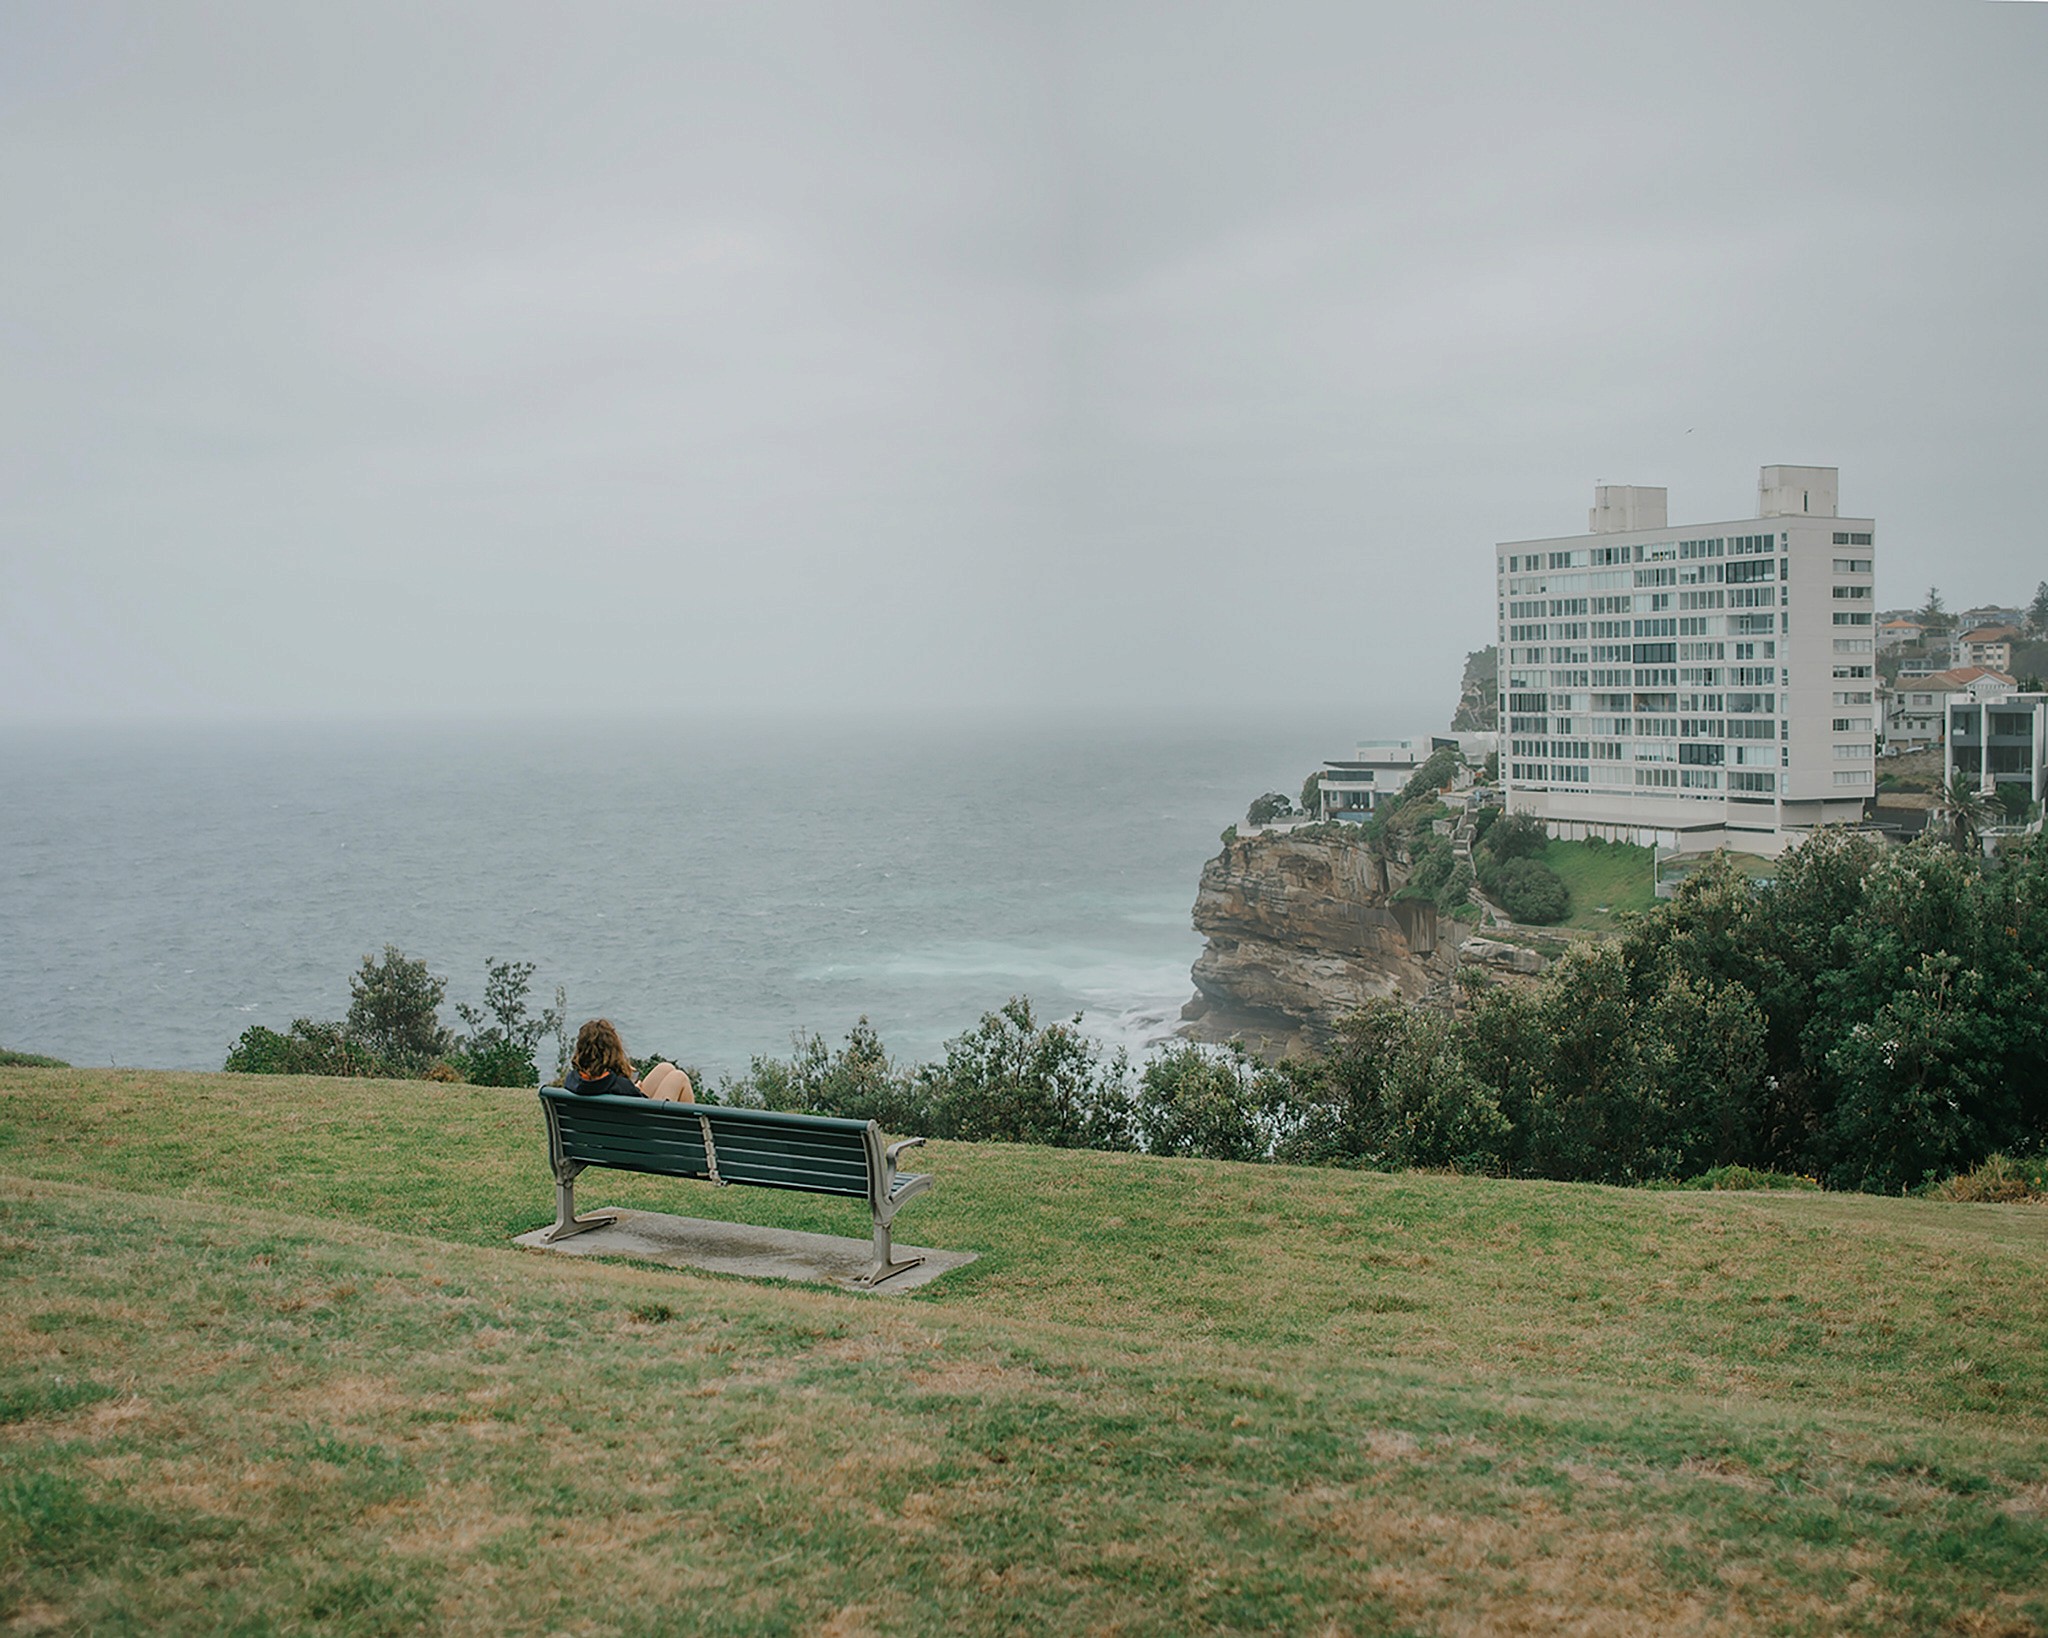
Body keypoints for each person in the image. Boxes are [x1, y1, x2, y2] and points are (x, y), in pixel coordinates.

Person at [562, 1017, 694, 1102]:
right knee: (679, 1077)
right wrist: (635, 1090)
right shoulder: (621, 1086)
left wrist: (633, 1089)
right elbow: (641, 1103)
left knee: (665, 1068)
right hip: (644, 1134)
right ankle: (696, 1134)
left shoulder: (572, 1080)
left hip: (605, 1129)